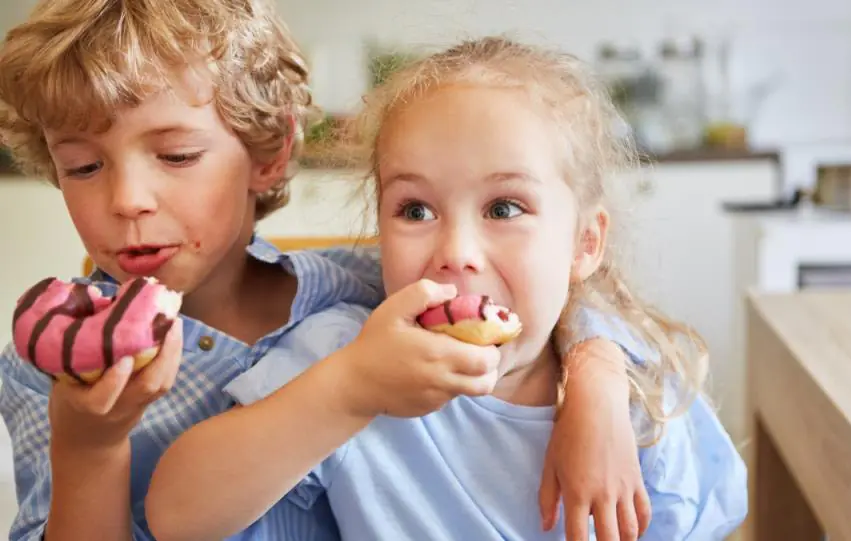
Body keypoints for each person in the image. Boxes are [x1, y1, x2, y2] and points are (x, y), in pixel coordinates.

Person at [0, 3, 655, 541]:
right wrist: (89, 448)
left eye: (175, 154)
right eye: (84, 166)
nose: (126, 200)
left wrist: (596, 380)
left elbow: (539, 297)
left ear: (269, 152)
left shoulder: (360, 290)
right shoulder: (47, 370)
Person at [146, 36, 748, 541]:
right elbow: (176, 516)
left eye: (505, 207)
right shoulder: (345, 355)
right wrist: (351, 389)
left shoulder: (642, 404)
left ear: (584, 244)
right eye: (415, 210)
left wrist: (601, 382)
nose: (455, 252)